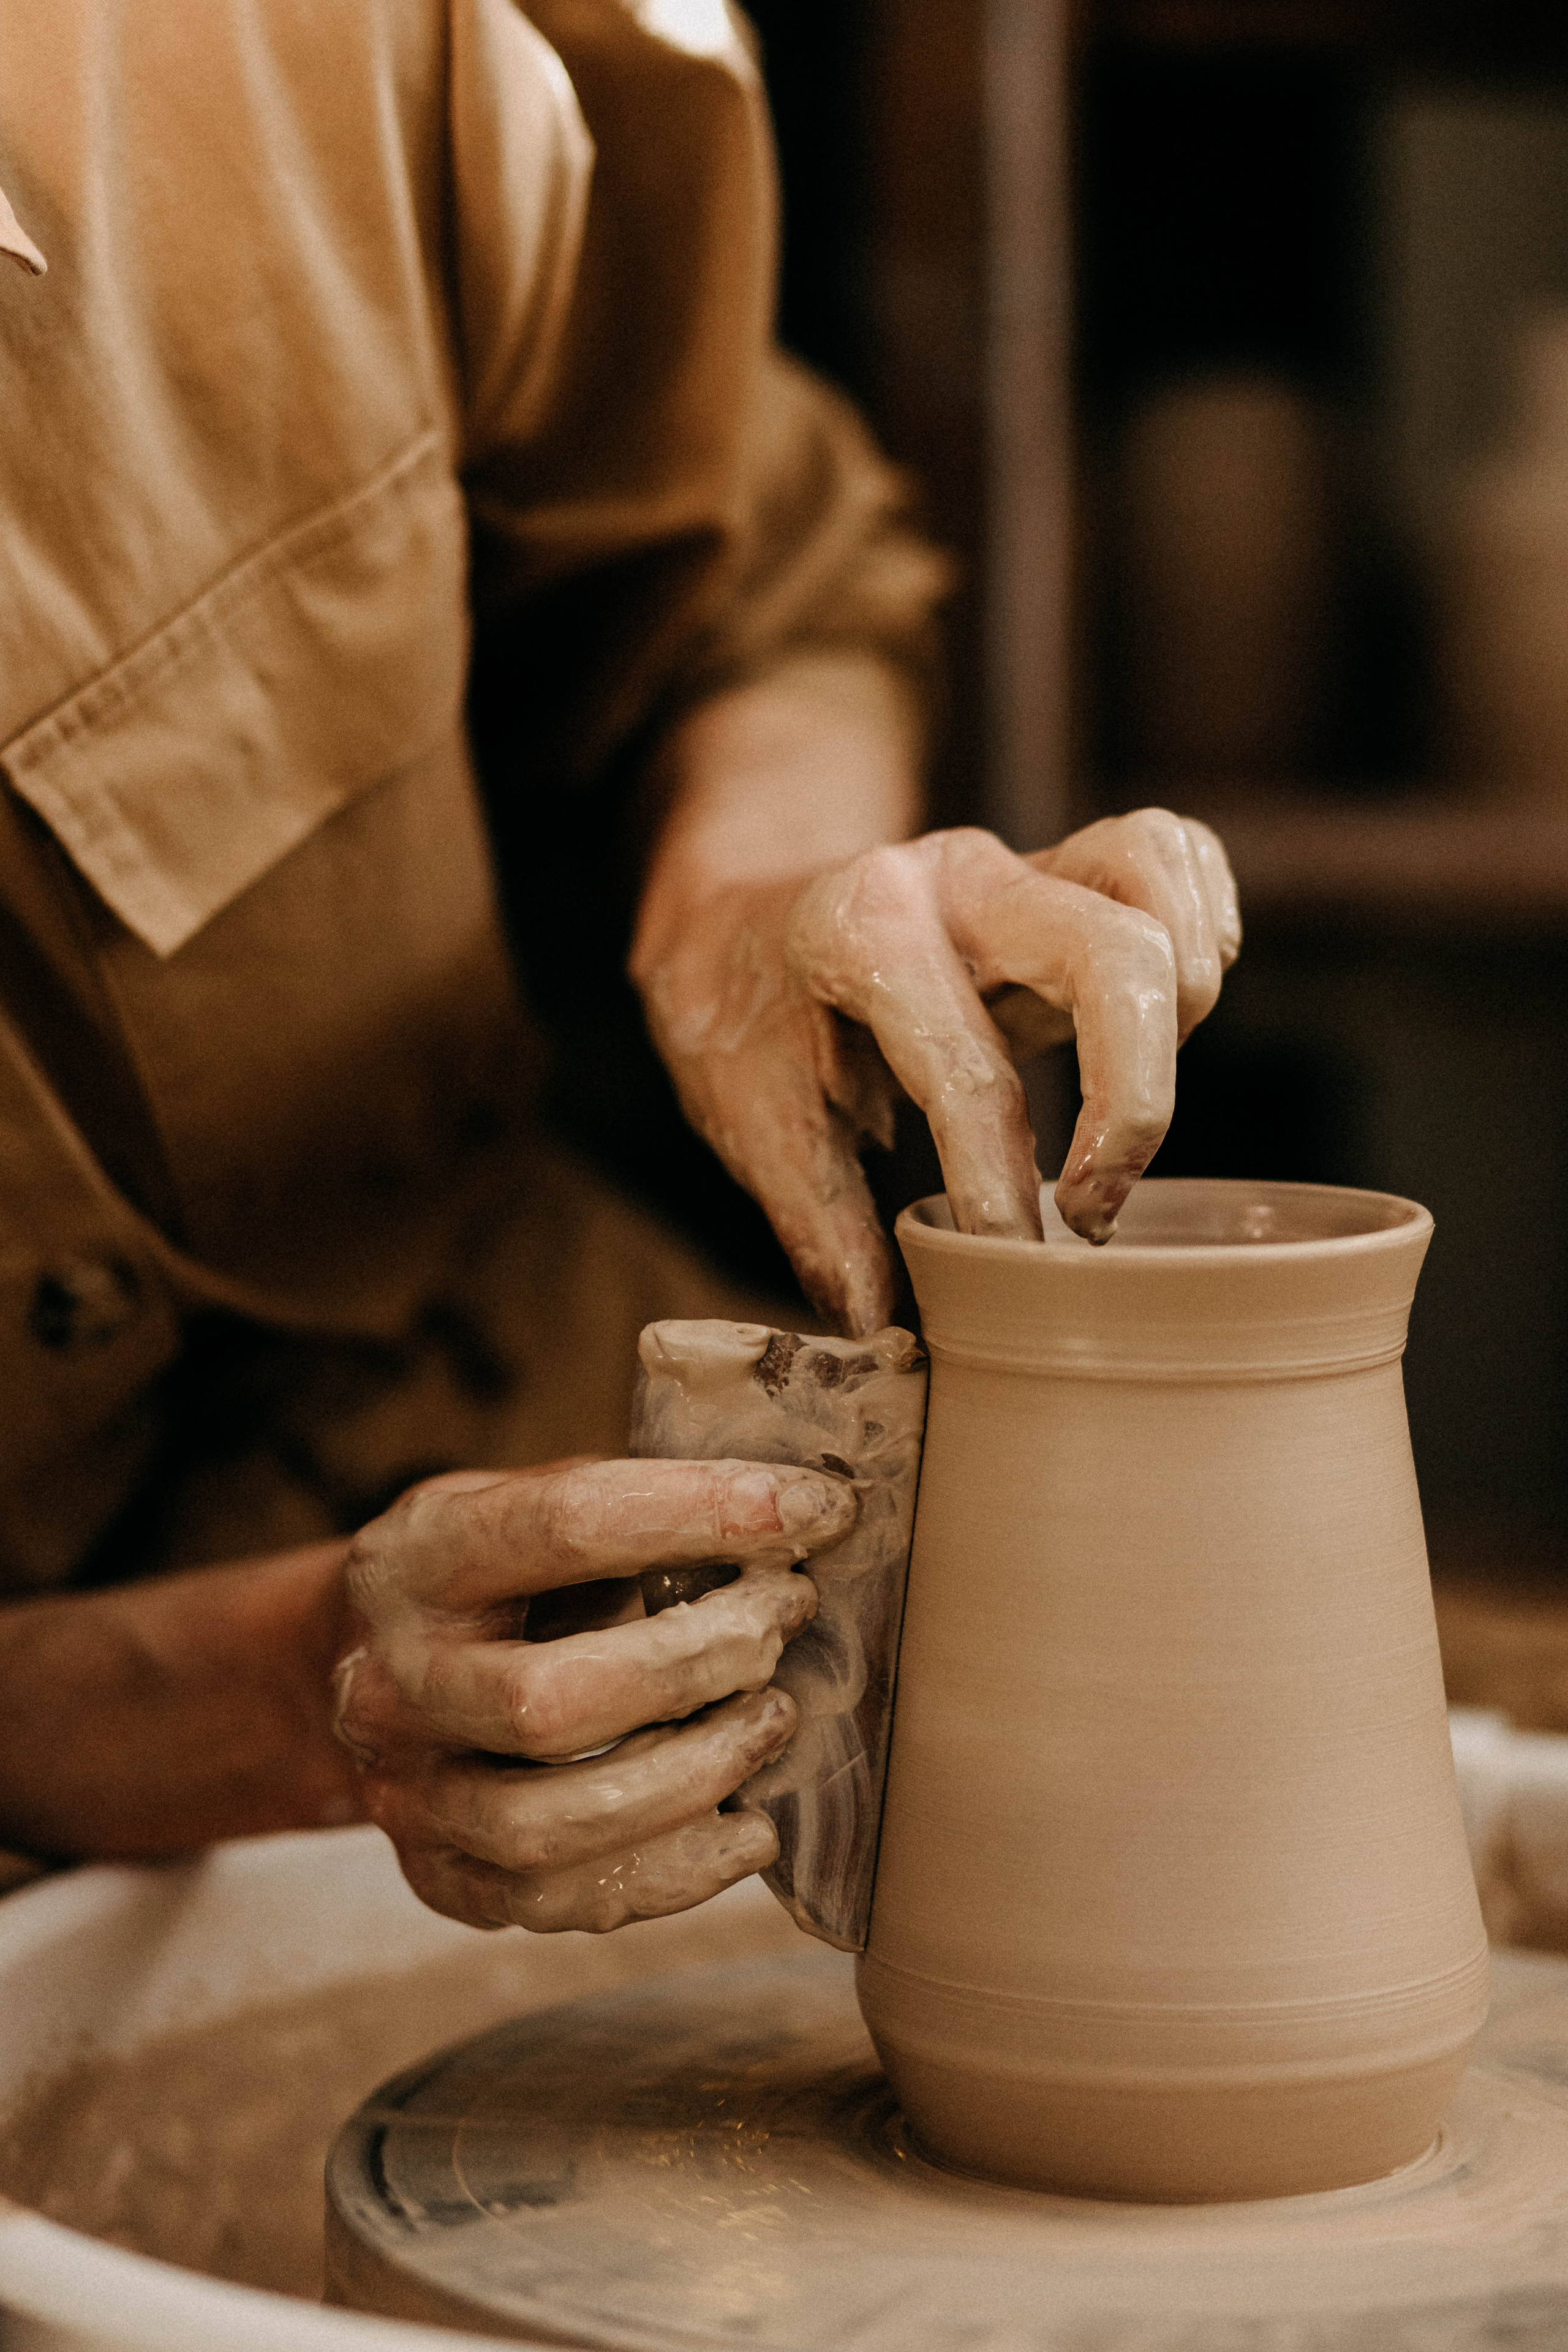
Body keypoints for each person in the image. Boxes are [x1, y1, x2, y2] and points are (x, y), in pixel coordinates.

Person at [0, 0, 1237, 1925]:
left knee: (1170, 1796)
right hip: (80, 1707)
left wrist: (761, 889)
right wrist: (262, 1691)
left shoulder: (305, 42)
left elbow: (771, 573)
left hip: (475, 1370)